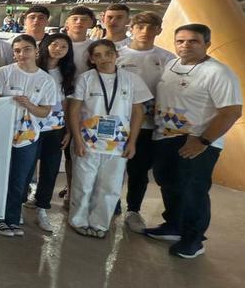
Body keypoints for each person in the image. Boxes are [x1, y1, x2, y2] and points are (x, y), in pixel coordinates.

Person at [146, 24, 243, 259]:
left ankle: (194, 239)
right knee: (168, 182)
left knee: (192, 189)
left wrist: (203, 140)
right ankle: (174, 225)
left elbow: (231, 111)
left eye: (193, 41)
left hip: (195, 140)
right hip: (165, 136)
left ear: (207, 44)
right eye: (180, 41)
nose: (185, 45)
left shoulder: (218, 72)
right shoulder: (171, 65)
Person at [67, 39, 151, 238]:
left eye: (108, 53)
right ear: (92, 59)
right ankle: (78, 220)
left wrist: (132, 142)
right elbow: (74, 110)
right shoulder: (86, 79)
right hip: (87, 141)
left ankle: (100, 223)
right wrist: (77, 140)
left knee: (110, 187)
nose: (104, 58)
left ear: (116, 55)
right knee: (83, 185)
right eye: (97, 55)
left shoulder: (132, 80)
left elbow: (138, 112)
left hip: (118, 144)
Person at [0, 35, 57, 237]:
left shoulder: (46, 80)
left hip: (28, 137)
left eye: (26, 49)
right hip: (2, 134)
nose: (22, 54)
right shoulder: (3, 73)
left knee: (19, 179)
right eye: (17, 50)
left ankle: (11, 218)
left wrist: (29, 105)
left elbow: (45, 112)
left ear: (36, 51)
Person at [115, 12, 176, 233]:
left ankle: (133, 210)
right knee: (113, 167)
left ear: (159, 30)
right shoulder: (117, 54)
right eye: (140, 27)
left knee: (139, 170)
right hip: (118, 122)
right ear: (131, 28)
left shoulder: (167, 58)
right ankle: (111, 202)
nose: (145, 32)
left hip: (148, 125)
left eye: (151, 28)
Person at [30, 32, 76, 233]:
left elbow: (66, 104)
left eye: (63, 47)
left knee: (50, 169)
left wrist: (68, 130)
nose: (58, 49)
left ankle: (42, 207)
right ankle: (20, 202)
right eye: (55, 44)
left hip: (55, 128)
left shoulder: (66, 73)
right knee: (26, 167)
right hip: (30, 125)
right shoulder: (32, 67)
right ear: (45, 45)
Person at [64, 5, 97, 71]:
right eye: (75, 19)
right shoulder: (55, 44)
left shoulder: (94, 46)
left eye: (84, 19)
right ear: (67, 22)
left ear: (91, 23)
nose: (79, 22)